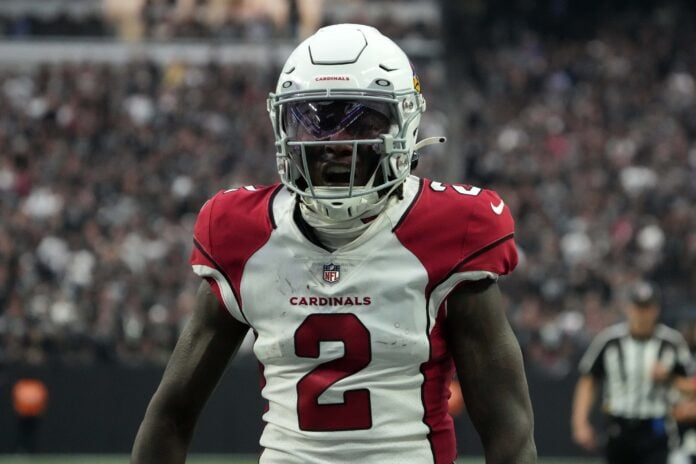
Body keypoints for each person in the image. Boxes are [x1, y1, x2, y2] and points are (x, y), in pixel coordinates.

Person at [131, 23, 536, 464]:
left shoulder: (453, 229)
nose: (335, 143)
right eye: (313, 120)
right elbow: (171, 414)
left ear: (404, 124)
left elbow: (508, 432)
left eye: (360, 120)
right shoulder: (241, 233)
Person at [571, 281, 692, 464]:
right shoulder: (609, 340)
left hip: (656, 427)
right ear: (628, 308)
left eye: (647, 308)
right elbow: (588, 380)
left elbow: (690, 386)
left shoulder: (671, 342)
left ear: (656, 310)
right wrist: (580, 422)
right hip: (619, 427)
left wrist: (669, 377)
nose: (642, 315)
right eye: (638, 308)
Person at [12, 377, 49, 453]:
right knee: (22, 434)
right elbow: (17, 398)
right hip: (23, 415)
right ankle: (21, 449)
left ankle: (32, 450)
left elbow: (41, 398)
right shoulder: (22, 386)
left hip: (34, 414)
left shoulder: (36, 386)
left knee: (33, 434)